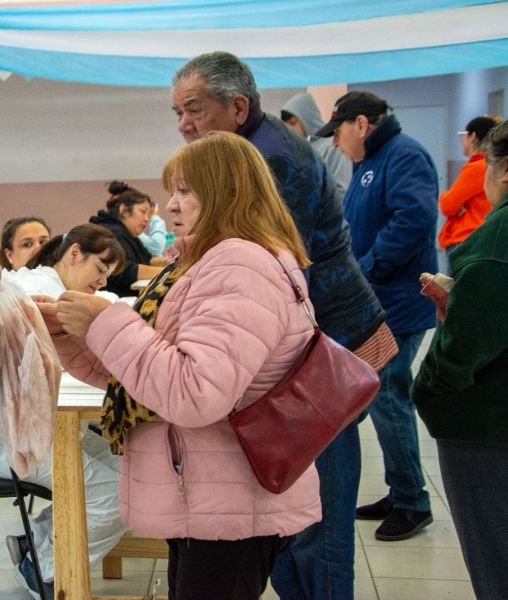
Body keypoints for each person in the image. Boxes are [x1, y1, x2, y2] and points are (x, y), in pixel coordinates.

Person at [40, 132, 321, 600]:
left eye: (185, 191)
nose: (170, 206)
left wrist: (106, 321)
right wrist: (76, 331)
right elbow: (142, 376)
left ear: (225, 193)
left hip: (228, 503)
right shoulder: (208, 262)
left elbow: (194, 395)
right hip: (211, 496)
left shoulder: (241, 266)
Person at [171, 52, 392, 600]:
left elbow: (261, 265)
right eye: (176, 111)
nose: (183, 125)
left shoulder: (267, 160)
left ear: (238, 105)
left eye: (194, 109)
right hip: (310, 345)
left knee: (316, 520)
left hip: (328, 356)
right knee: (292, 517)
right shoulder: (254, 147)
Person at [0, 223, 127, 600]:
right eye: (99, 270)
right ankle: (43, 569)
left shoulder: (47, 284)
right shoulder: (45, 293)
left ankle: (33, 540)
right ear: (74, 254)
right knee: (116, 498)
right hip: (3, 435)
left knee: (127, 472)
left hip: (23, 425)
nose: (101, 282)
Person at [316, 90, 438, 541]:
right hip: (375, 301)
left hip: (399, 302)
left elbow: (414, 219)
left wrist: (365, 271)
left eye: (339, 133)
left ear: (362, 124)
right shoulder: (369, 163)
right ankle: (399, 489)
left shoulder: (404, 155)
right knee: (379, 396)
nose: (336, 143)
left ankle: (412, 502)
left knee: (388, 396)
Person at [412, 120, 508, 600]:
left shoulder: (496, 241)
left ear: (503, 169)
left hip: (486, 425)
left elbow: (465, 349)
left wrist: (429, 389)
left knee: (494, 560)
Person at [438, 116, 499, 265]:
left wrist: (448, 198)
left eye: (463, 136)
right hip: (482, 239)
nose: (462, 141)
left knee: (456, 287)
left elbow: (448, 205)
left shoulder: (477, 167)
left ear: (473, 136)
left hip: (466, 241)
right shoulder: (492, 165)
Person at [89, 180, 164, 296]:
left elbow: (147, 260)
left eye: (149, 215)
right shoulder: (109, 233)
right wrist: (168, 273)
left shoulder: (127, 233)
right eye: (143, 212)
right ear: (123, 210)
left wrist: (170, 263)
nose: (146, 219)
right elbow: (126, 271)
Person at [281, 91, 353, 200]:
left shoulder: (333, 145)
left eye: (293, 123)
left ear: (307, 118)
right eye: (285, 125)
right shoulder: (301, 150)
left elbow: (342, 190)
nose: (289, 129)